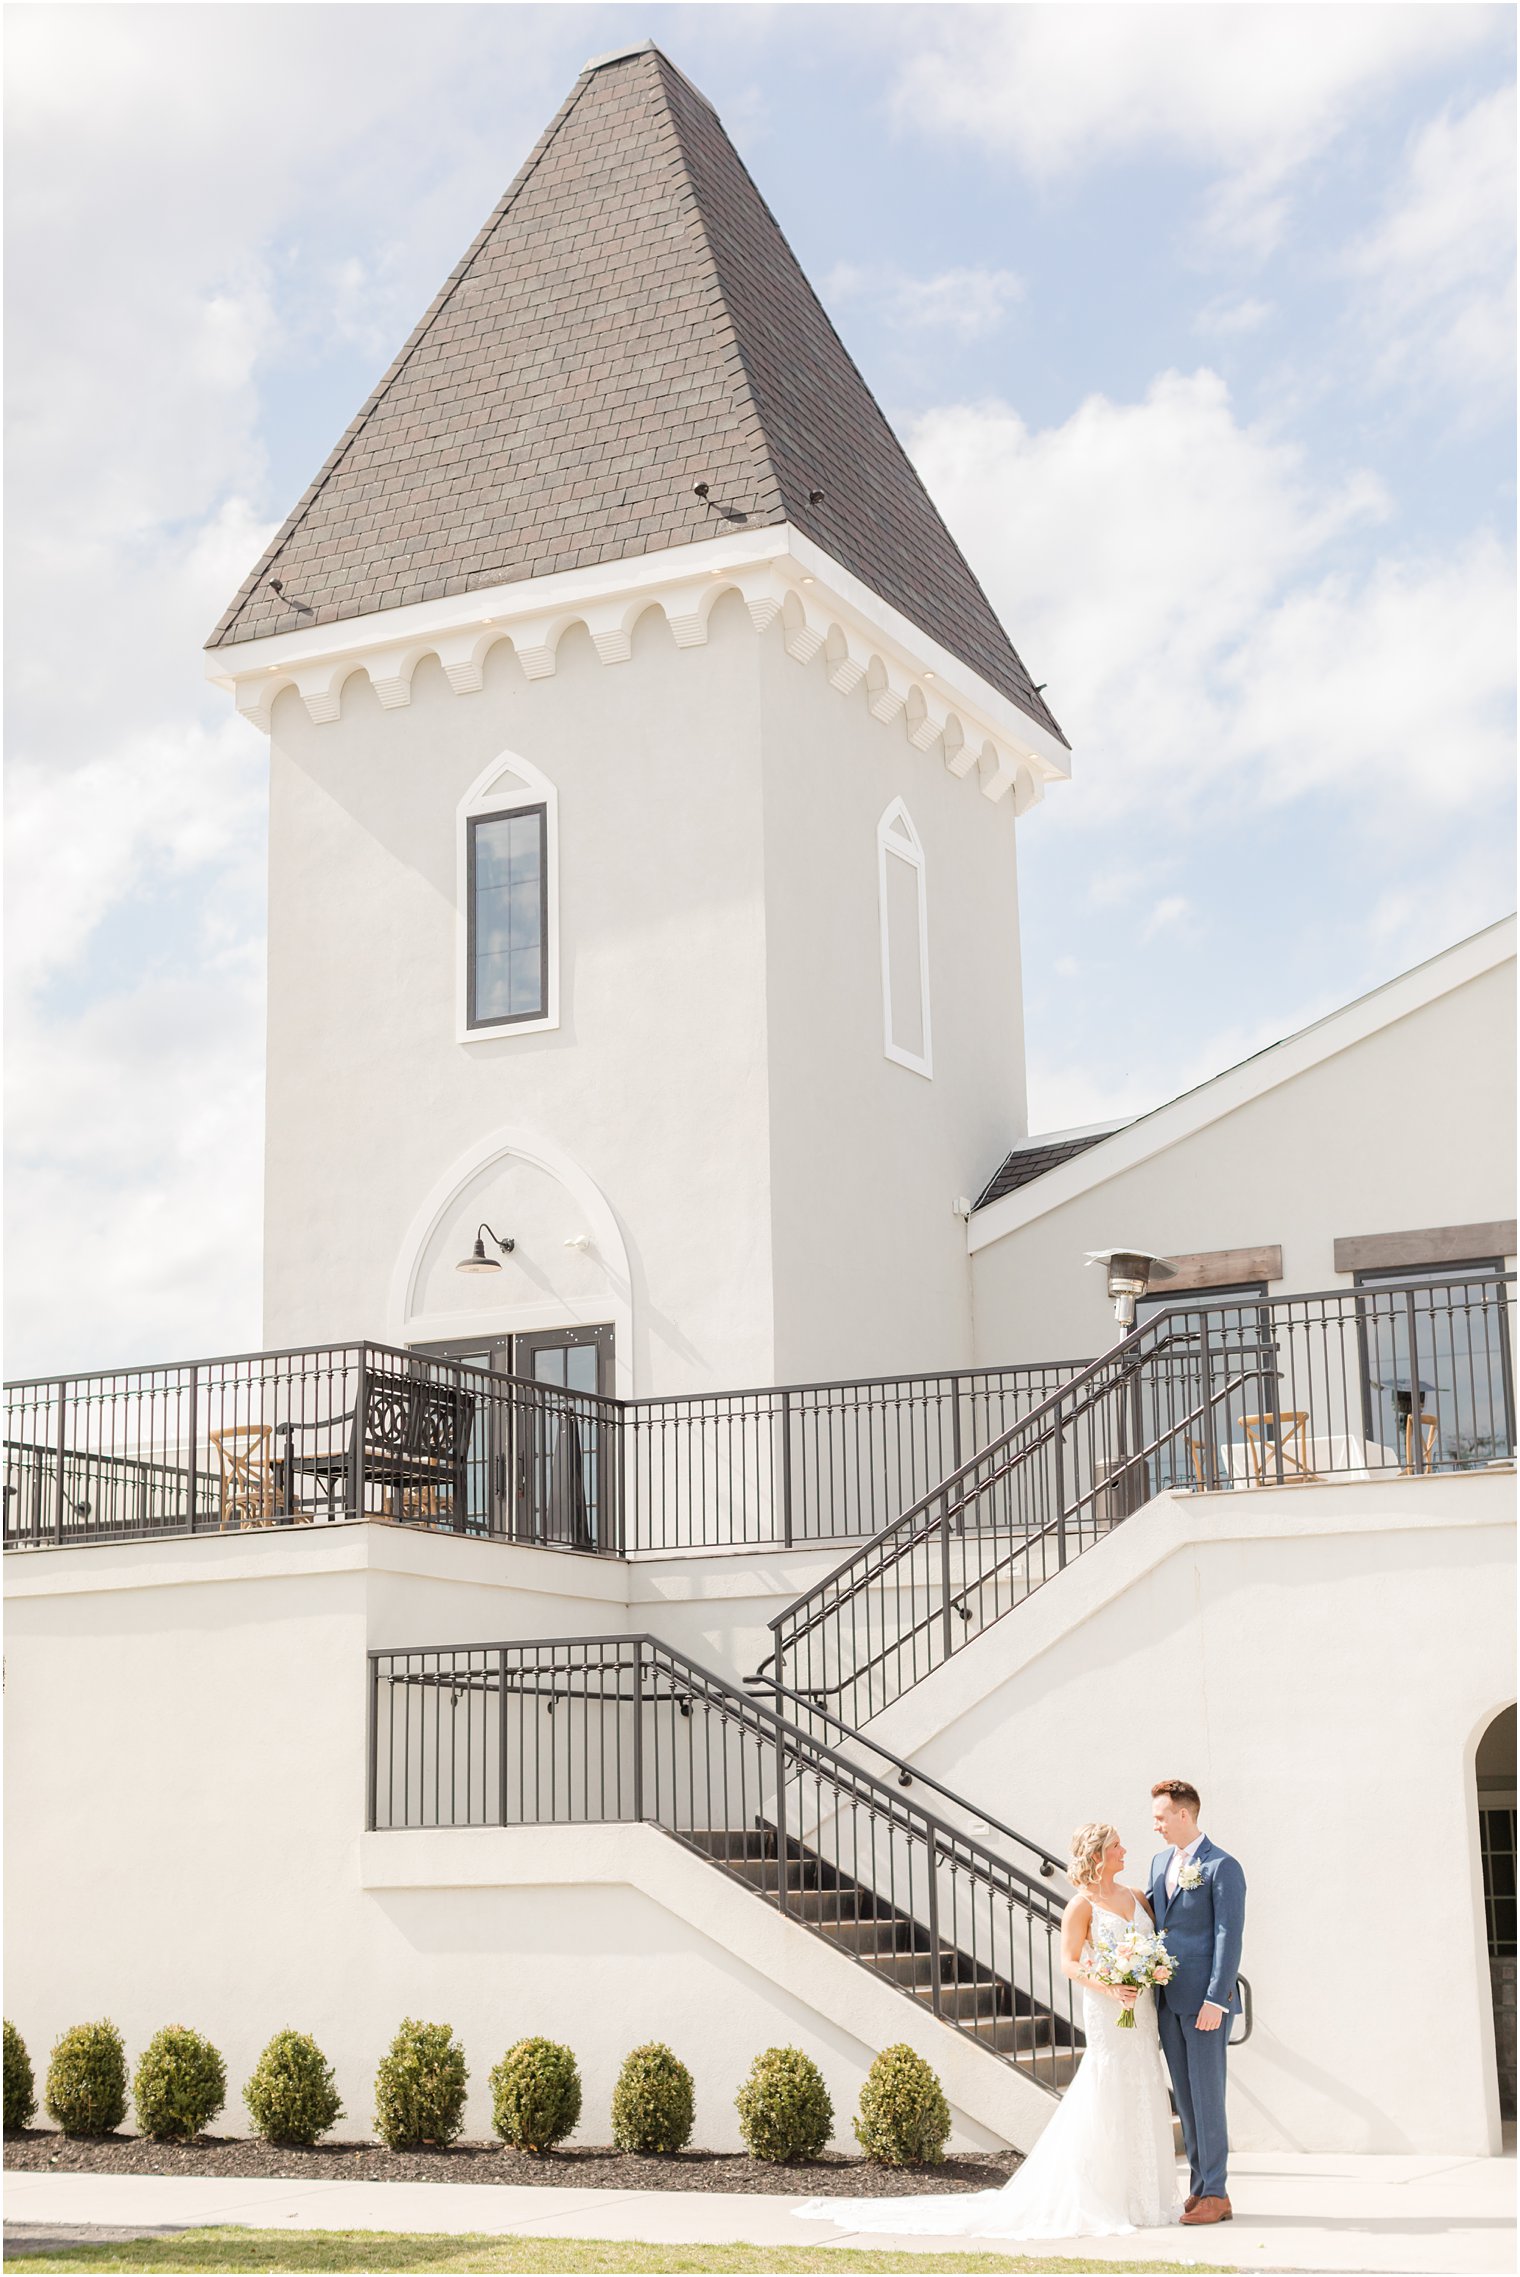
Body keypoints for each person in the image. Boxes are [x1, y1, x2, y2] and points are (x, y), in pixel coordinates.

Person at [793, 1821, 1180, 2241]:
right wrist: (1109, 1985)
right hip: (1108, 2009)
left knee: (1142, 2082)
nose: (1125, 1850)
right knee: (1108, 2087)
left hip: (1140, 2012)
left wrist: (1149, 1971)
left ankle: (1146, 2195)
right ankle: (1104, 2195)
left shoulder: (1138, 1896)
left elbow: (1154, 1946)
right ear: (1098, 1854)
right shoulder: (1081, 1905)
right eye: (1118, 1845)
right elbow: (1069, 1963)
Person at [1147, 1778, 1246, 2228]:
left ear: (1183, 1814)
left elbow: (1228, 1936)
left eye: (1161, 1817)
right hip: (1168, 2000)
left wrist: (1217, 1999)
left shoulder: (1222, 1866)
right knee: (1185, 2100)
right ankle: (1199, 2187)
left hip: (1206, 2003)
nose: (1157, 1826)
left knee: (1208, 2097)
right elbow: (1154, 1917)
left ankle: (1217, 2193)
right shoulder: (1158, 1862)